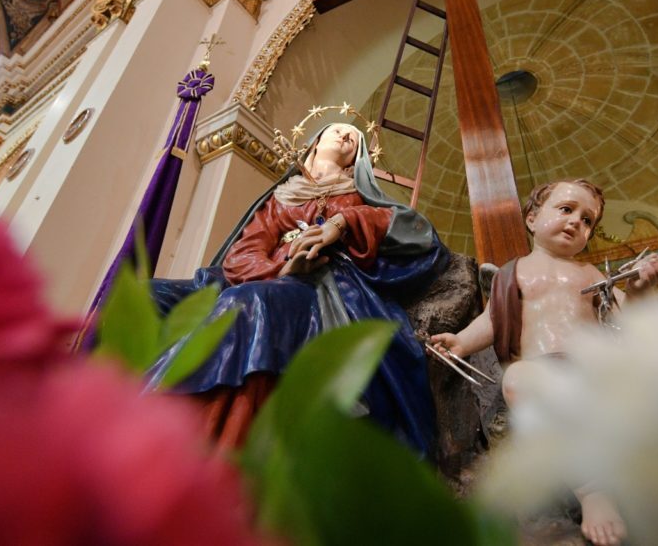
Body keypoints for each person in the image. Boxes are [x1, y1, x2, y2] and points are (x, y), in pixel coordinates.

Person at [149, 122, 447, 455]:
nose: (346, 136)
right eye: (338, 130)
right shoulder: (281, 197)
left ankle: (203, 441)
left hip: (320, 286)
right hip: (269, 277)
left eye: (354, 139)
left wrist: (342, 222)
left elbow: (412, 229)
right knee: (153, 295)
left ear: (356, 160)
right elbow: (244, 252)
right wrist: (282, 268)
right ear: (316, 142)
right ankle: (135, 415)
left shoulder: (357, 194)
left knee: (247, 301)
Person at [431, 179, 658, 546]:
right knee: (519, 378)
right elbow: (493, 320)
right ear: (532, 218)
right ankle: (592, 491)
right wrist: (460, 342)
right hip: (539, 372)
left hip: (591, 369)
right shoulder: (513, 272)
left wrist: (639, 290)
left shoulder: (590, 274)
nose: (576, 222)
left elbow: (626, 317)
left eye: (587, 220)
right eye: (566, 209)